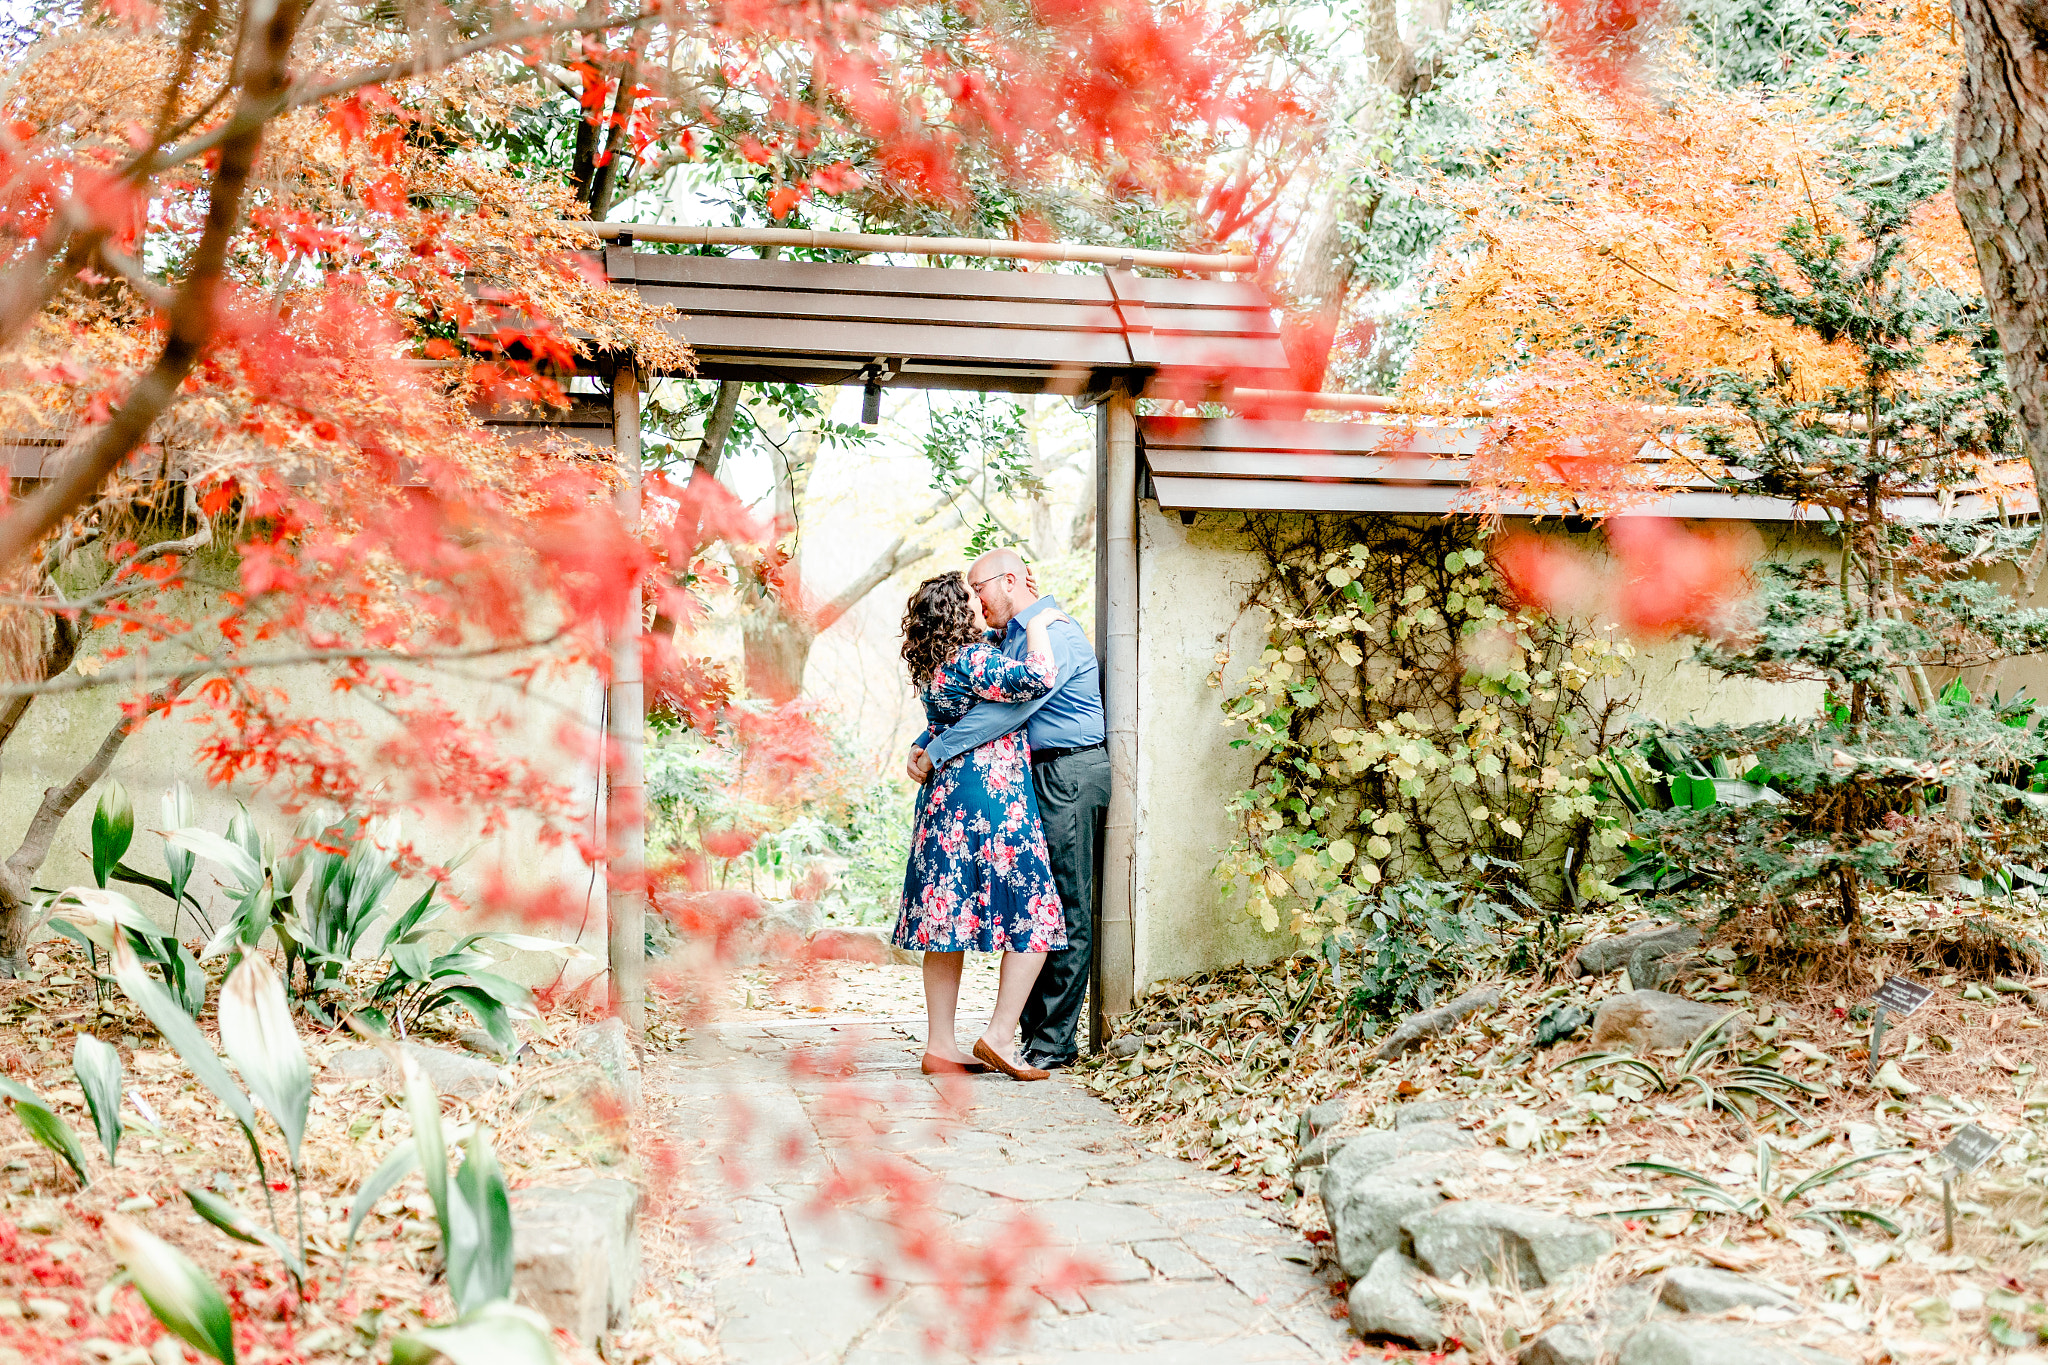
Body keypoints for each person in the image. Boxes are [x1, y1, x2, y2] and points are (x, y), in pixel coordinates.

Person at [907, 547, 1108, 1072]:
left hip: (1064, 771)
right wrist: (927, 739)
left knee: (1061, 906)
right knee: (1033, 909)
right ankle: (1012, 1036)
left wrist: (936, 749)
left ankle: (1049, 1042)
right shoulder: (1001, 640)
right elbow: (971, 702)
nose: (976, 600)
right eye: (968, 594)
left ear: (1010, 581)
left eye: (980, 589)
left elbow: (1008, 712)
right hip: (1008, 784)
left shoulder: (1053, 631)